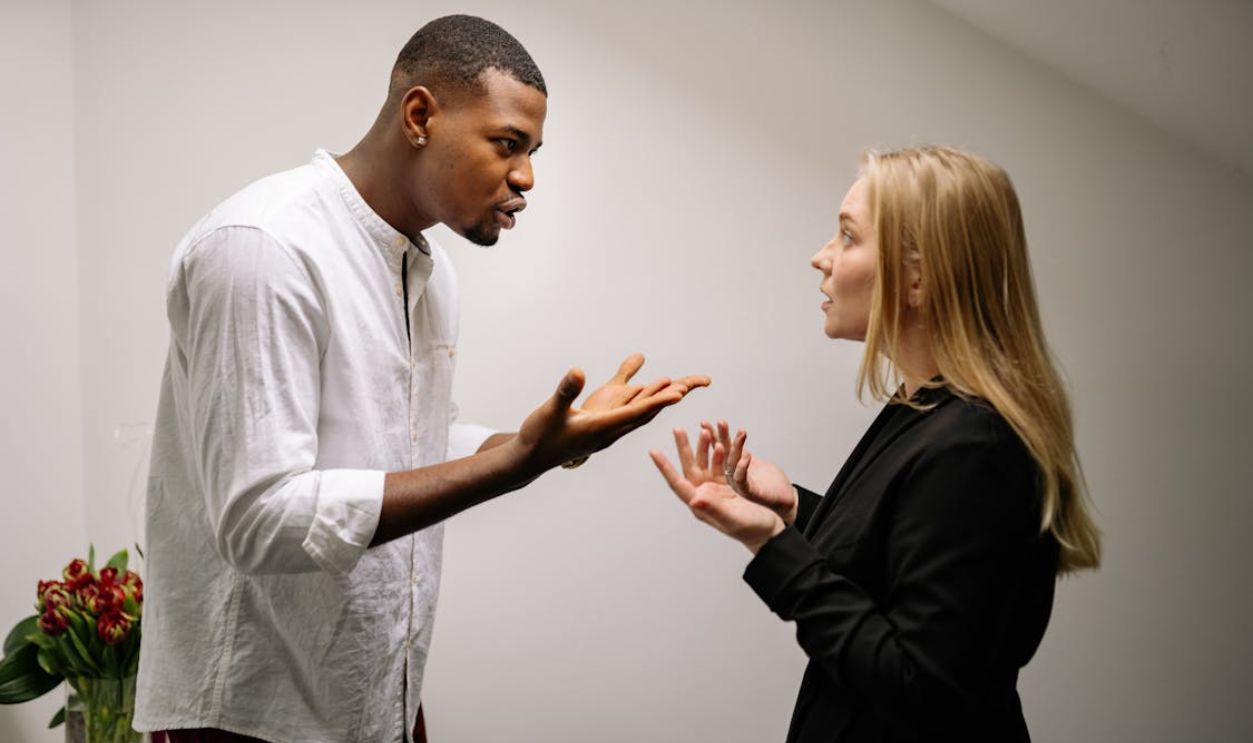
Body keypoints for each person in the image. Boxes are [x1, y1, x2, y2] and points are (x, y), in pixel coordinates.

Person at [135, 15, 708, 743]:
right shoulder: (263, 247)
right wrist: (511, 466)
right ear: (419, 116)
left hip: (373, 699)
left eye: (532, 151)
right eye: (507, 144)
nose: (527, 176)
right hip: (251, 715)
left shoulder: (428, 275)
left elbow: (407, 446)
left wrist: (545, 440)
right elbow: (260, 519)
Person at [651, 145, 1101, 742]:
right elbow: (896, 563)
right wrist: (794, 511)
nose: (821, 258)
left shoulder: (977, 446)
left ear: (917, 276)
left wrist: (770, 543)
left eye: (846, 236)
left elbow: (920, 689)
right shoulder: (924, 410)